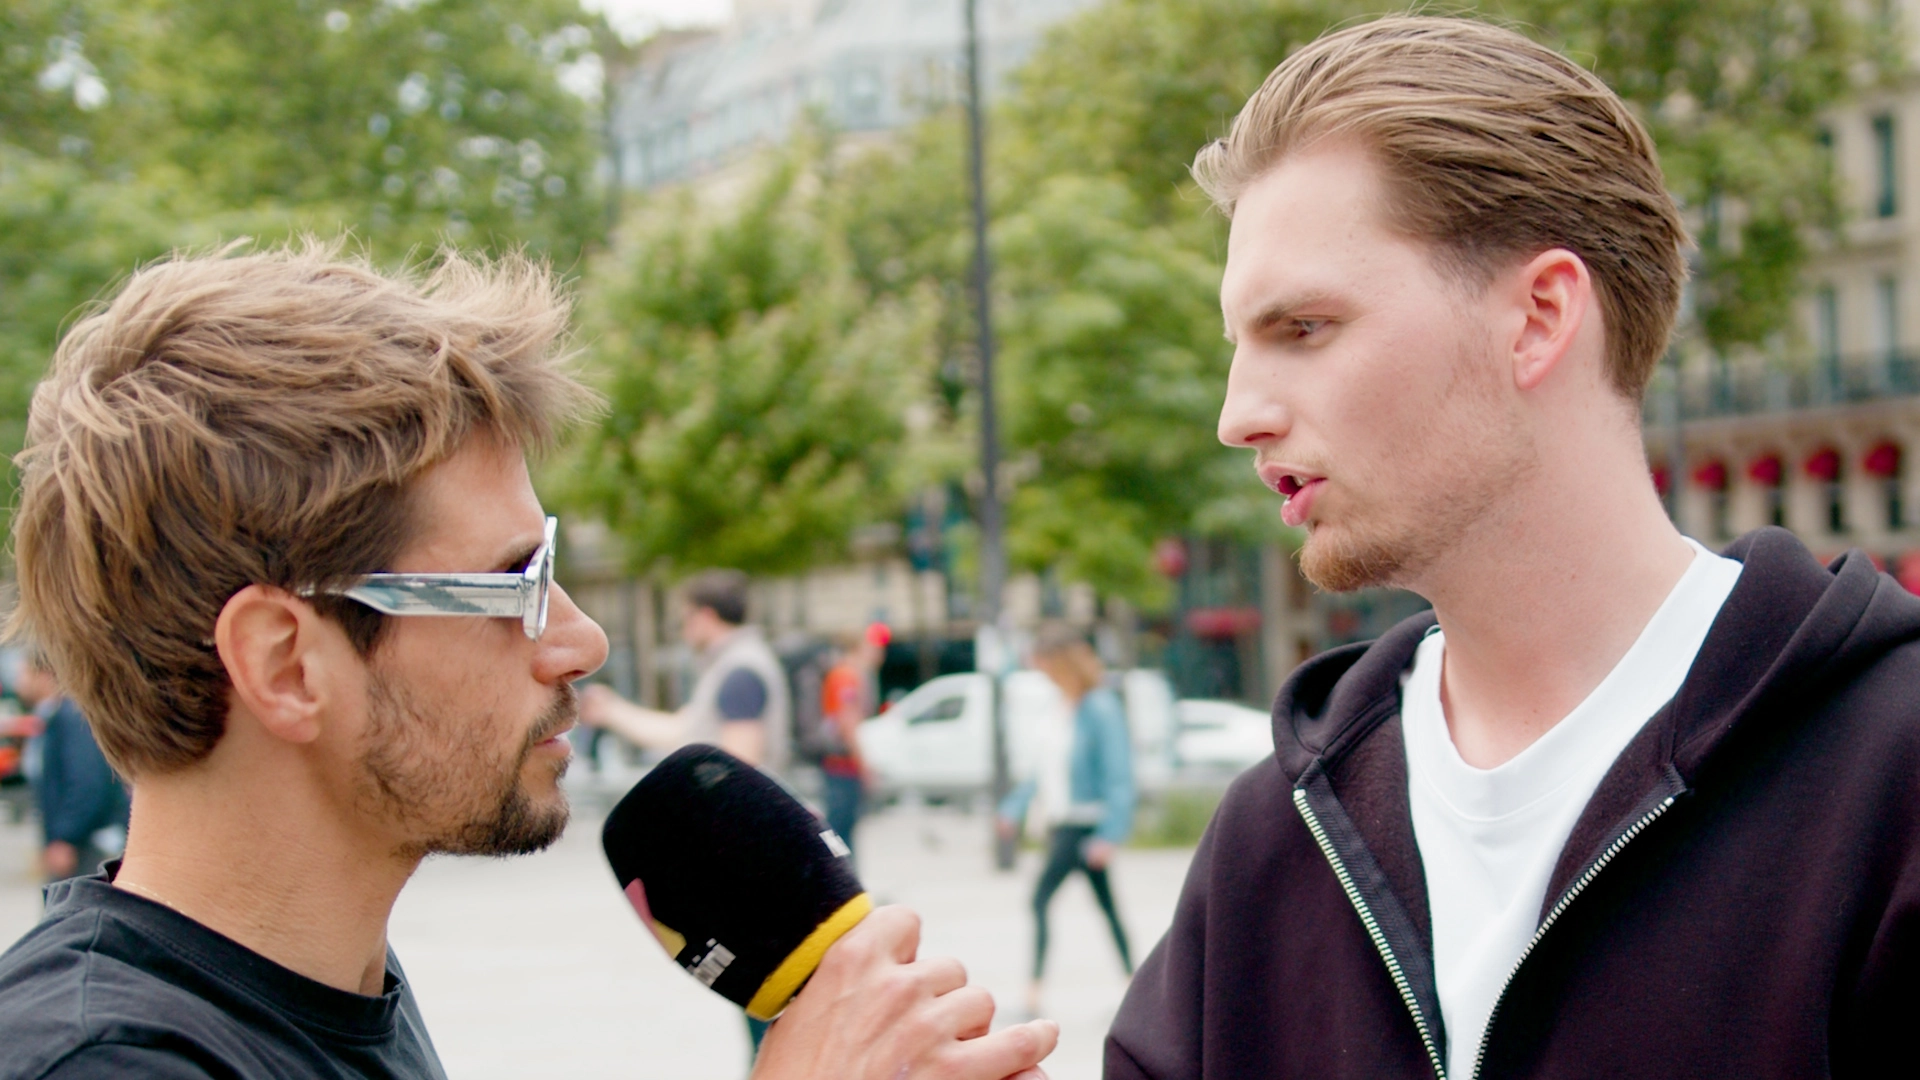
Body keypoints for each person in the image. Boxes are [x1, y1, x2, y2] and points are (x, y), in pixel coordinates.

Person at [0, 243, 1057, 1080]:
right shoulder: (102, 1061)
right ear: (285, 663)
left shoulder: (327, 992)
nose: (579, 638)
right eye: (515, 581)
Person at [1107, 15, 1920, 1080]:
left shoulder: (1891, 781)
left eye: (1302, 329)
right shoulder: (1272, 843)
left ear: (1539, 315)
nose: (1239, 413)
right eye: (1238, 346)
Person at [998, 626, 1134, 1020]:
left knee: (1040, 900)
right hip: (1062, 825)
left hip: (1085, 828)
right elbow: (1042, 772)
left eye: (1044, 668)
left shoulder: (1100, 707)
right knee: (1108, 910)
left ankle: (1032, 997)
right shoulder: (1059, 709)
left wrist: (1110, 834)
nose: (1041, 676)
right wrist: (1013, 808)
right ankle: (1136, 992)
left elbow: (1119, 776)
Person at [579, 570, 792, 774]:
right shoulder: (732, 664)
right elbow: (685, 731)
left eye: (684, 619)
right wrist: (611, 710)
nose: (683, 631)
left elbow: (742, 767)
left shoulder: (739, 671)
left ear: (706, 616)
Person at [15, 651, 128, 884]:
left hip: (86, 844)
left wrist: (66, 837)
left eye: (24, 673)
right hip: (74, 841)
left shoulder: (72, 717)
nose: (19, 682)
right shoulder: (52, 717)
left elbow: (87, 782)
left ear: (45, 675)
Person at [819, 623, 886, 861]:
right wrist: (865, 765)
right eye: (876, 646)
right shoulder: (847, 676)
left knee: (843, 831)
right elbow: (849, 722)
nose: (881, 653)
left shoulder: (848, 674)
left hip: (842, 764)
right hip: (842, 765)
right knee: (840, 833)